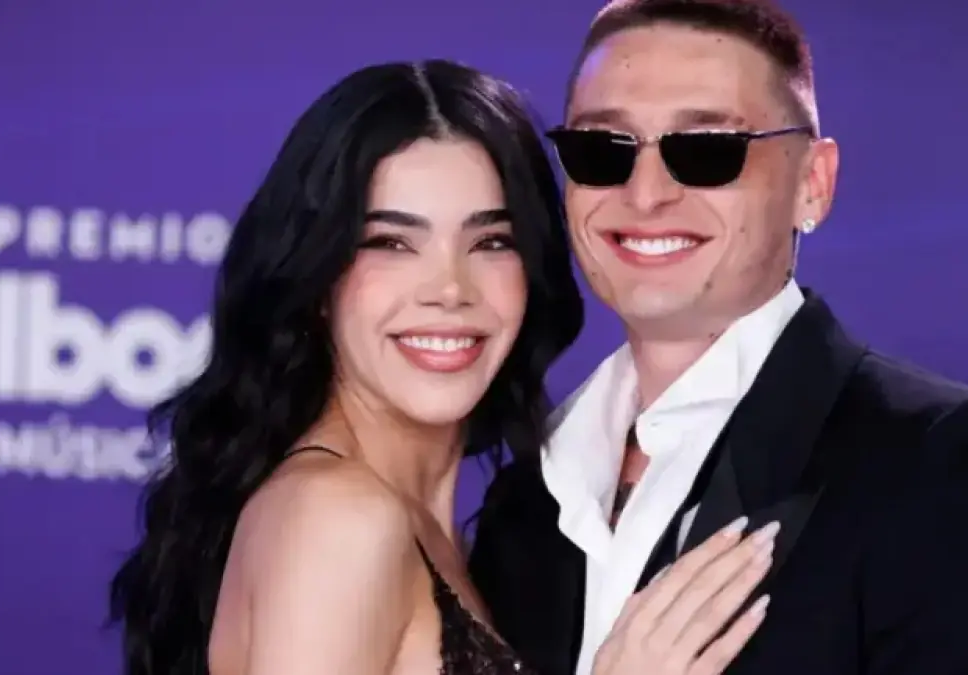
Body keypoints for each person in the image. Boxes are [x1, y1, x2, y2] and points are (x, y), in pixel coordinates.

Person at [108, 59, 776, 675]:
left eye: (491, 241)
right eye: (392, 242)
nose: (450, 289)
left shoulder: (440, 529)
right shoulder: (338, 518)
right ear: (318, 278)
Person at [468, 1, 968, 674]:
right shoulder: (528, 500)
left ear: (813, 184)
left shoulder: (940, 465)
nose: (646, 193)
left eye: (708, 151)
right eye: (603, 150)